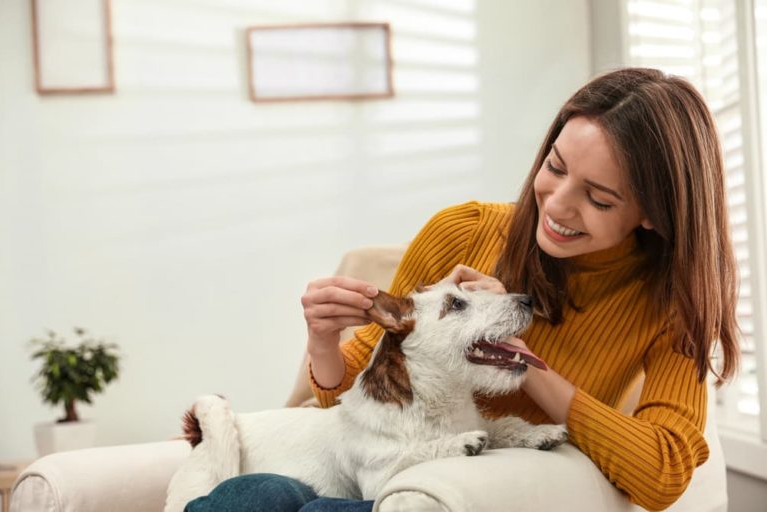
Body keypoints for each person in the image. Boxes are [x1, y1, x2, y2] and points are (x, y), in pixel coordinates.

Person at [185, 67, 739, 512]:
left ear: (653, 216)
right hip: (378, 470)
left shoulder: (671, 308)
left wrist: (517, 357)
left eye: (599, 198)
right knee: (254, 496)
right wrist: (323, 340)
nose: (558, 205)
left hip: (483, 491)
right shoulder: (466, 230)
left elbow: (661, 475)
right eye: (555, 166)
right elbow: (346, 395)